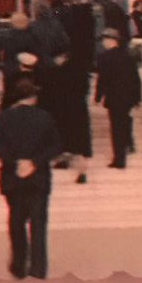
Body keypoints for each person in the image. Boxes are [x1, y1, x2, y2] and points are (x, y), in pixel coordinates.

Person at [0, 78, 64, 279]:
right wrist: (34, 162)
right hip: (38, 177)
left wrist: (15, 162)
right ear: (33, 97)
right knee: (38, 224)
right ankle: (38, 268)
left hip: (12, 178)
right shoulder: (45, 117)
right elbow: (56, 146)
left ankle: (19, 263)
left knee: (16, 222)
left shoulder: (4, 118)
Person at [38, 44, 92, 183]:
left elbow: (47, 93)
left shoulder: (54, 72)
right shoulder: (81, 71)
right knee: (80, 144)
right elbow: (85, 90)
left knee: (63, 138)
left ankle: (62, 161)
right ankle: (82, 172)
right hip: (79, 110)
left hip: (61, 112)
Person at [94, 28, 142, 169]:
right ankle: (129, 143)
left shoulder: (103, 58)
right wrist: (137, 98)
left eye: (104, 40)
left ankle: (119, 158)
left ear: (110, 40)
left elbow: (102, 79)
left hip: (114, 97)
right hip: (127, 97)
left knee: (116, 128)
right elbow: (135, 79)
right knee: (125, 121)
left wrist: (98, 96)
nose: (103, 43)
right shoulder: (128, 56)